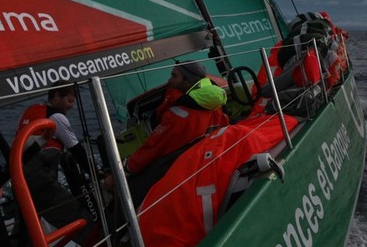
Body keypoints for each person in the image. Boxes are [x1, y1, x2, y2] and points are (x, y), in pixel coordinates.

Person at [108, 61, 228, 202]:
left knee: (129, 196)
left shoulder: (179, 114)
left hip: (174, 170)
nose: (169, 80)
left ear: (187, 81)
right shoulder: (215, 104)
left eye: (174, 76)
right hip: (202, 165)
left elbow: (153, 147)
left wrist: (125, 169)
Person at [18, 85, 92, 228]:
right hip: (41, 184)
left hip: (21, 183)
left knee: (26, 234)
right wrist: (97, 174)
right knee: (83, 223)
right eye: (70, 101)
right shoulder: (56, 117)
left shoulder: (29, 112)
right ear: (57, 96)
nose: (71, 107)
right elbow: (77, 151)